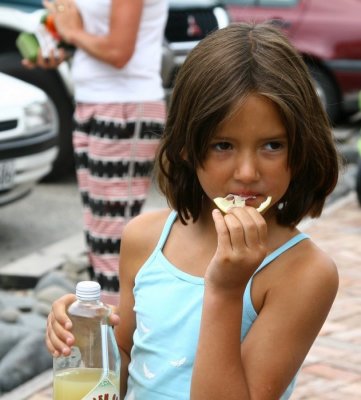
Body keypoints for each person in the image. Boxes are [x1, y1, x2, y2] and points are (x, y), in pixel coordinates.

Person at [46, 22, 340, 399]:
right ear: (186, 146)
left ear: (301, 148)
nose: (247, 172)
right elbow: (124, 359)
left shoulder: (303, 273)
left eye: (271, 145)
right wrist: (84, 341)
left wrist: (225, 290)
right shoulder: (145, 239)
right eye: (222, 145)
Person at [24, 0, 168, 305]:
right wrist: (58, 48)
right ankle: (103, 334)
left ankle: (118, 342)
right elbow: (88, 37)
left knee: (114, 239)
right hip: (91, 103)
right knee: (98, 235)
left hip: (126, 106)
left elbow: (118, 52)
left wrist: (72, 32)